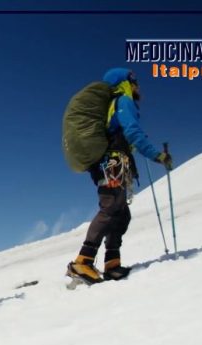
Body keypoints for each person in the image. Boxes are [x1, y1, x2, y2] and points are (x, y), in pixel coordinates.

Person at [67, 68, 173, 284]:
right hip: (112, 162)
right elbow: (132, 131)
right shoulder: (123, 101)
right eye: (134, 81)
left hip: (110, 162)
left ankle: (112, 264)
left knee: (121, 214)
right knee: (111, 207)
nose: (138, 86)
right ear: (126, 83)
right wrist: (157, 155)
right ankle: (82, 262)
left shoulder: (112, 104)